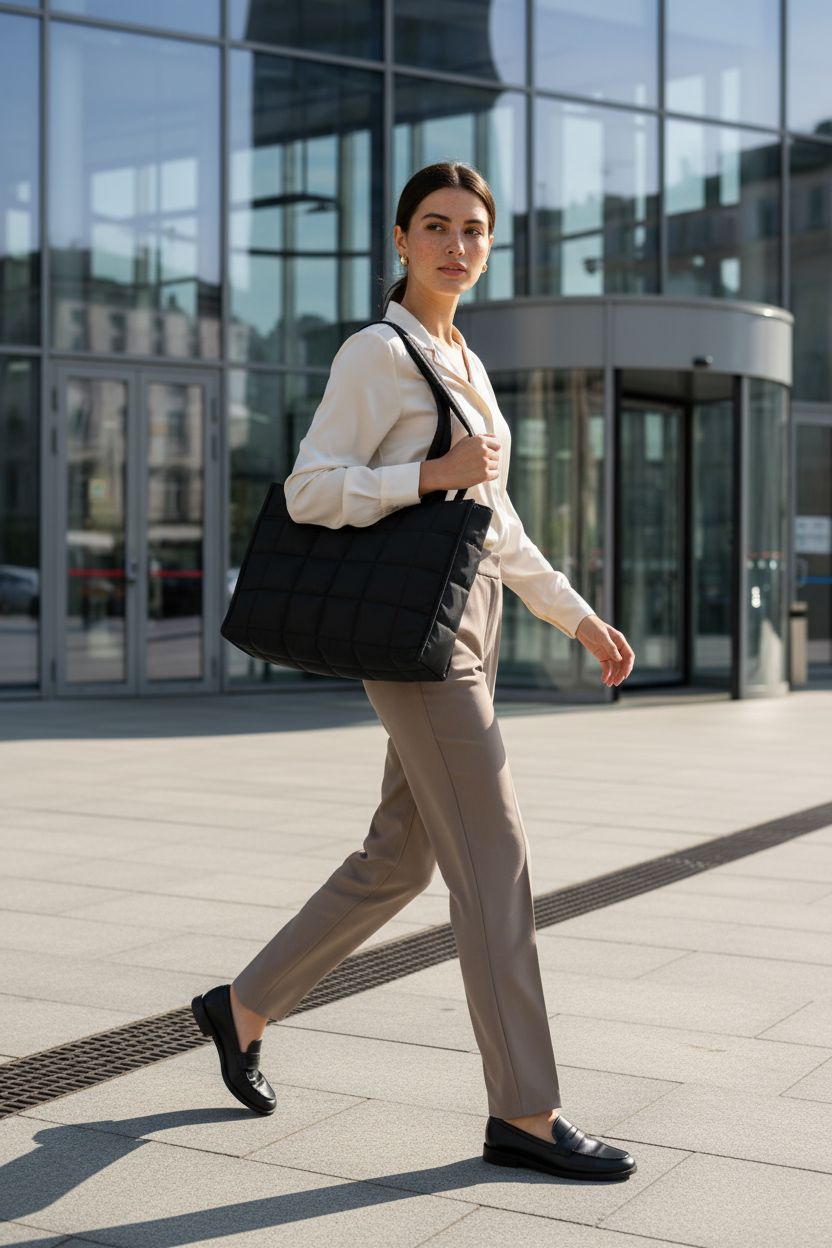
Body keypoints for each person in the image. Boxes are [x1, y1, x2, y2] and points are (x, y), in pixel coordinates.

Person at [192, 161, 637, 1182]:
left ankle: (243, 1005)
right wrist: (424, 474)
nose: (454, 245)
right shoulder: (376, 352)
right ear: (399, 241)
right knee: (498, 861)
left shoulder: (465, 362)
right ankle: (524, 1111)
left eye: (473, 230)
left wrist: (577, 618)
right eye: (433, 227)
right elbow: (309, 490)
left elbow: (499, 527)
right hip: (414, 636)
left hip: (459, 619)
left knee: (399, 857)